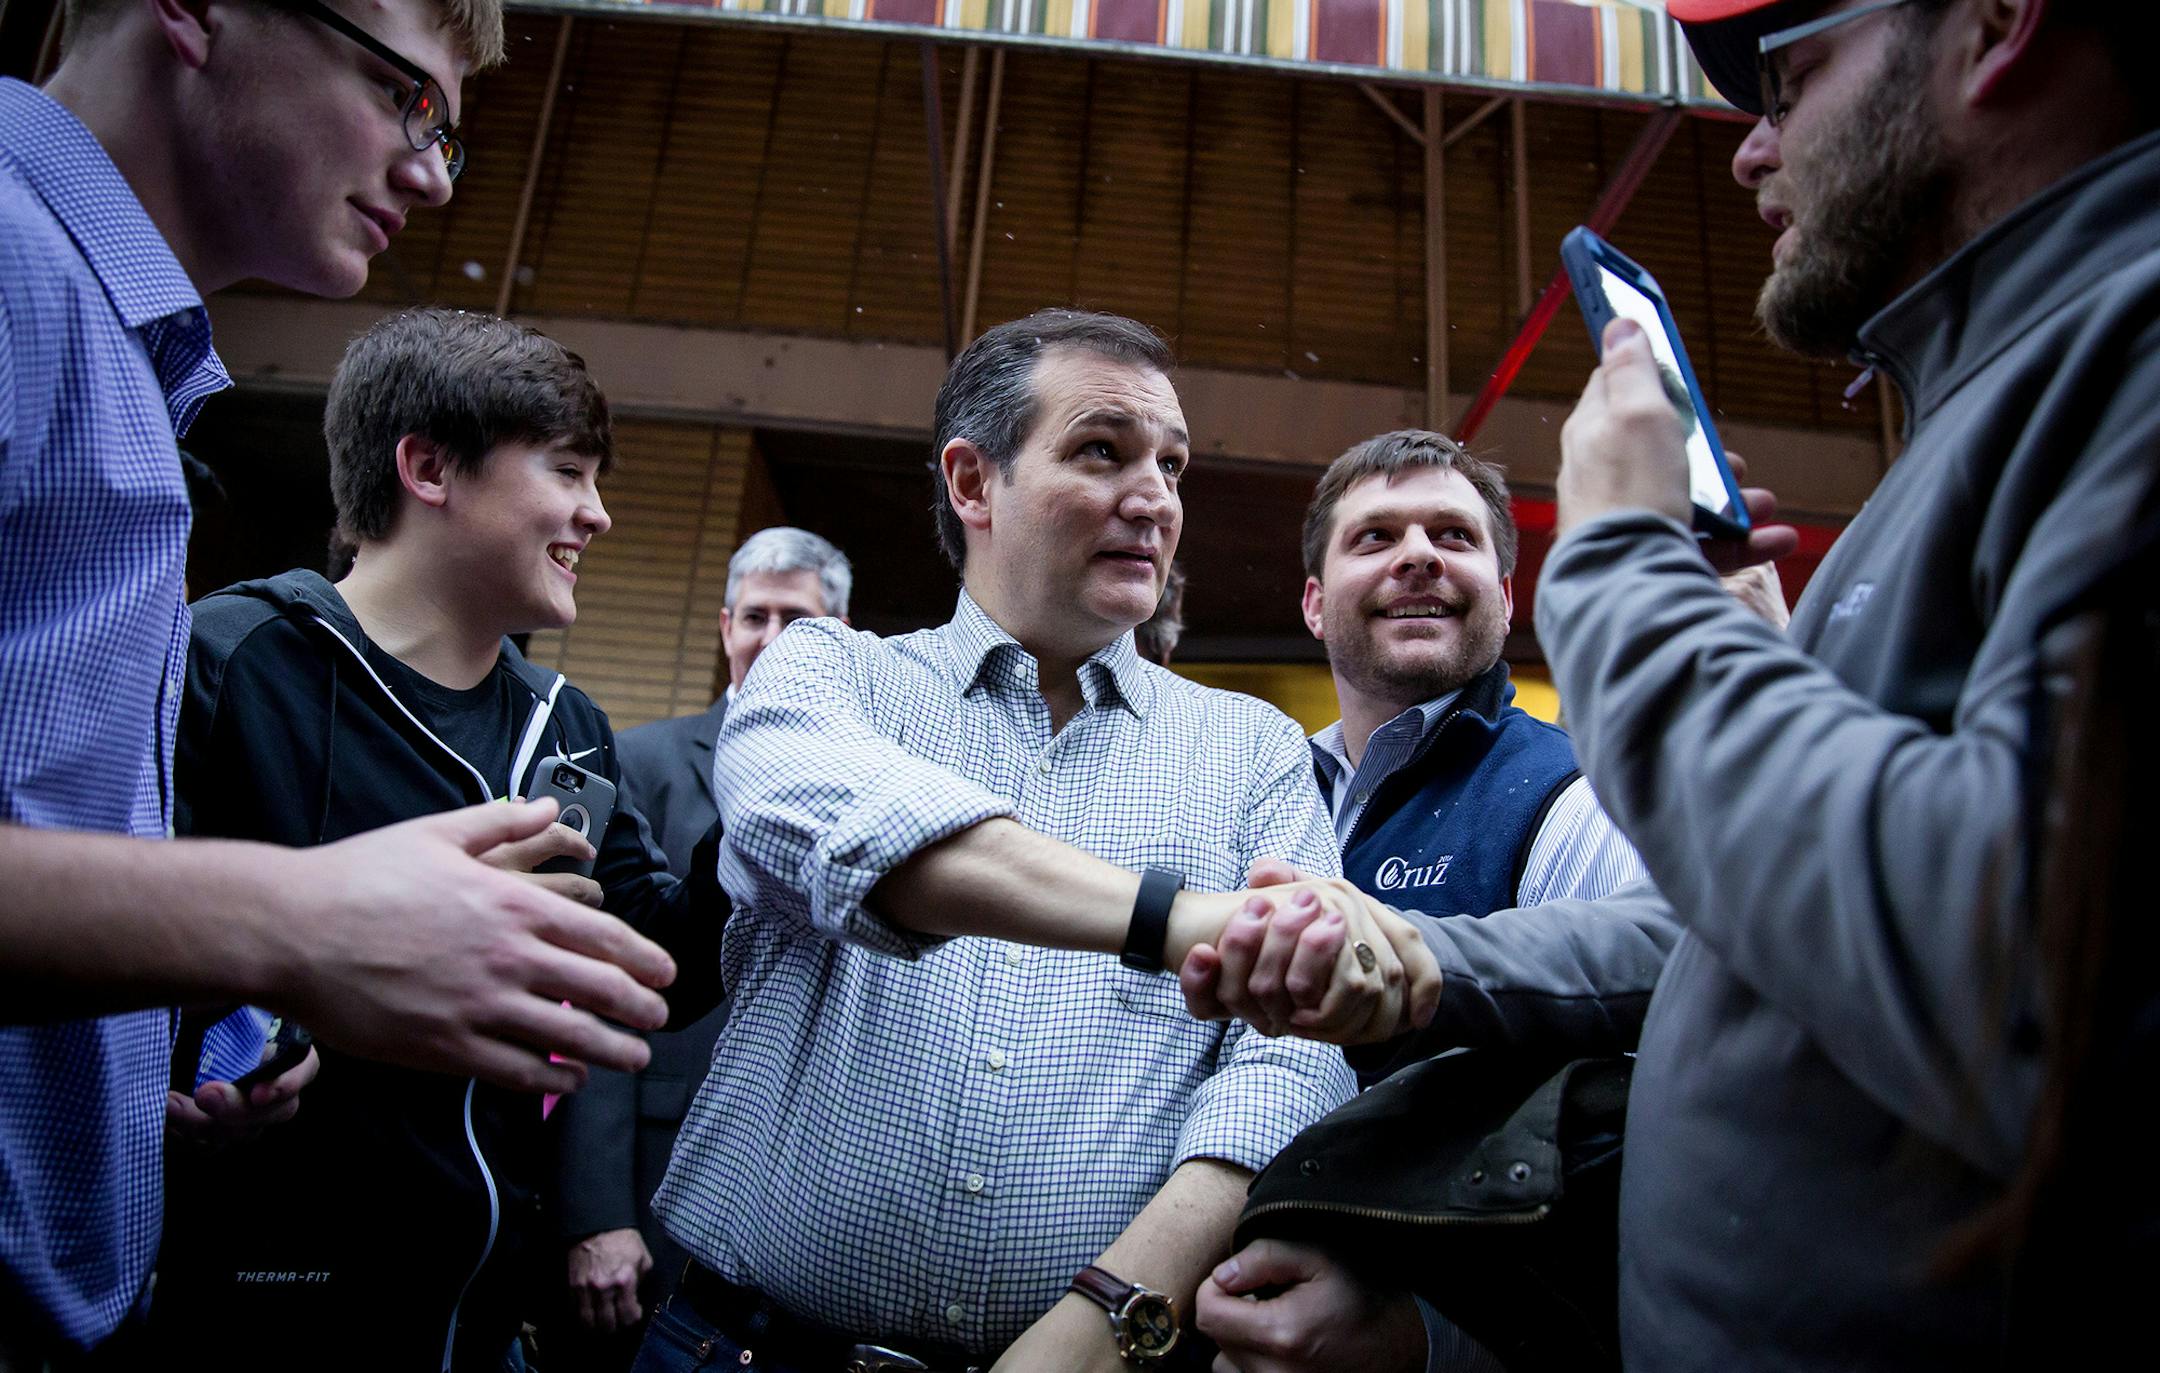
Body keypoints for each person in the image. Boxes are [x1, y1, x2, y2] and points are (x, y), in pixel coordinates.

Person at [1196, 0, 2160, 1365]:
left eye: (1787, 82)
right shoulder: (2002, 404)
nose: (1749, 157)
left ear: (1997, 23)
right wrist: (1419, 961)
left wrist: (1627, 574)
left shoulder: (2127, 359)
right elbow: (1733, 944)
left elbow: (2027, 986)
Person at [0, 2, 674, 1361]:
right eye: (402, 98)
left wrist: (170, 1056)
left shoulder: (122, 350)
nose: (430, 172)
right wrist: (296, 919)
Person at [632, 309, 1437, 1373]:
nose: (1155, 499)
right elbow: (872, 839)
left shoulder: (1249, 749)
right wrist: (1181, 919)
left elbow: (1285, 1061)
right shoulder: (830, 676)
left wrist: (1108, 1315)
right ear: (973, 482)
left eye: (1172, 464)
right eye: (1103, 451)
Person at [145, 308, 729, 1370]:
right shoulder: (234, 658)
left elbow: (656, 971)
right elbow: (122, 960)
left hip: (479, 1309)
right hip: (248, 1297)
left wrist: (761, 828)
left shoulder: (569, 727)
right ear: (427, 467)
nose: (597, 514)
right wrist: (197, 1080)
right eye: (567, 471)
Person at [1200, 431, 1653, 1373]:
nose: (1418, 554)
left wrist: (1438, 1335)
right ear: (1316, 605)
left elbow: (1651, 1120)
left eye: (1453, 533)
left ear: (1505, 593)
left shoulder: (1575, 797)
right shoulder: (1245, 793)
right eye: (1375, 538)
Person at [549, 525, 853, 1361]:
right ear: (723, 628)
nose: (771, 639)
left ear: (841, 644)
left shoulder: (874, 793)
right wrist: (596, 1212)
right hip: (651, 1172)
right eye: (754, 616)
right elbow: (594, 985)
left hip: (808, 1190)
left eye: (797, 620)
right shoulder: (637, 759)